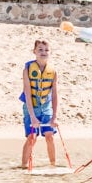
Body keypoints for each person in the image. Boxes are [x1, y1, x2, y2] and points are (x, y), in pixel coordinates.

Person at [20, 39, 58, 168]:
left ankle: (53, 165)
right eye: (40, 49)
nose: (43, 52)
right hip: (31, 108)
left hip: (46, 108)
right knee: (32, 137)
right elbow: (27, 93)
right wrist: (32, 116)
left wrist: (54, 117)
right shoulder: (27, 69)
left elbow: (55, 95)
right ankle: (23, 166)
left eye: (46, 50)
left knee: (49, 136)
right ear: (34, 51)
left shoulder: (53, 71)